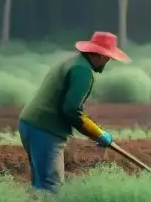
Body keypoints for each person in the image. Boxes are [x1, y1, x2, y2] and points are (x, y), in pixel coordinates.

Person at [18, 31, 128, 192]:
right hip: (46, 129)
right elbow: (71, 110)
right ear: (102, 55)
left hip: (29, 123)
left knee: (40, 184)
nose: (109, 60)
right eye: (109, 56)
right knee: (51, 187)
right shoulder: (83, 71)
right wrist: (98, 134)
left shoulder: (72, 62)